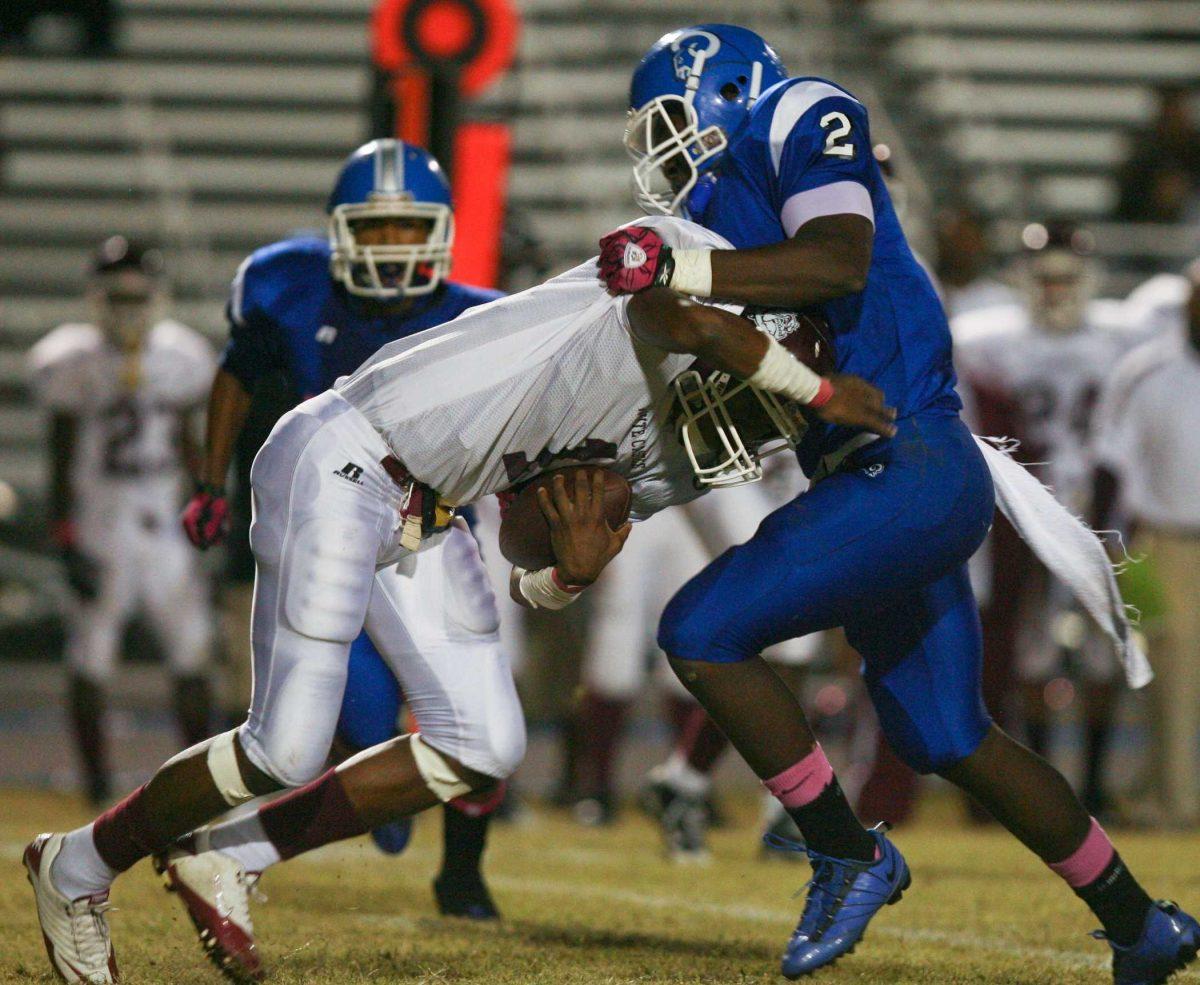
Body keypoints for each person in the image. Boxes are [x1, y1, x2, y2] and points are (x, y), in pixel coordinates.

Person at [24, 210, 900, 984]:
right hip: (346, 454)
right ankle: (74, 865)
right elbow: (664, 309)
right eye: (765, 404)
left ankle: (231, 856)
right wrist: (817, 391)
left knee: (484, 741)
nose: (756, 429)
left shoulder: (676, 451)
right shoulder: (675, 285)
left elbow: (524, 535)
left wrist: (572, 571)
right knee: (284, 744)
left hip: (430, 510)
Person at [603, 23, 1198, 981]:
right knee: (947, 735)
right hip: (872, 477)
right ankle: (1142, 923)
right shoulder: (717, 223)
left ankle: (847, 852)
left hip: (909, 464)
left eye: (669, 122)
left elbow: (836, 259)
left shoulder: (799, 112)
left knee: (701, 628)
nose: (665, 153)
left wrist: (683, 275)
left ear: (722, 94)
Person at [179, 138, 508, 922]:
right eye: (376, 229)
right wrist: (209, 479)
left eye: (409, 229)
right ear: (338, 232)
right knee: (363, 733)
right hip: (329, 541)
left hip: (427, 545)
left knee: (486, 717)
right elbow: (237, 372)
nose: (393, 247)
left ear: (441, 230)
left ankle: (463, 873)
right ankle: (365, 801)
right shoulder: (286, 286)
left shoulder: (481, 318)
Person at [954, 219, 1145, 817]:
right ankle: (1043, 783)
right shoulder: (989, 338)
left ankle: (1091, 783)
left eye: (1067, 279)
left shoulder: (1122, 337)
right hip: (1023, 512)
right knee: (1026, 648)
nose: (1057, 291)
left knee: (1102, 649)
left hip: (1101, 508)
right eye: (1046, 279)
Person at [26, 236, 216, 808]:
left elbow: (188, 441)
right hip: (101, 525)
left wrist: (204, 503)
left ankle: (199, 782)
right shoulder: (70, 358)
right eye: (118, 295)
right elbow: (59, 455)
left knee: (192, 654)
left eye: (139, 295)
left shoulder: (181, 355)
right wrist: (65, 538)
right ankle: (95, 784)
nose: (129, 307)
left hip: (163, 525)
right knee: (91, 658)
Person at [1091, 258, 1200, 828]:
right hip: (1164, 543)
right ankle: (1175, 807)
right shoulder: (1147, 370)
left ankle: (1146, 790)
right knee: (1174, 674)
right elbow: (1110, 465)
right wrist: (1111, 551)